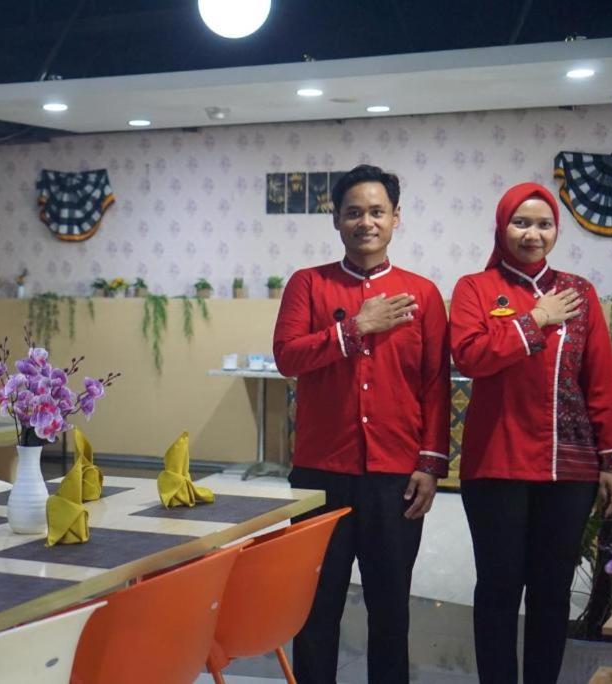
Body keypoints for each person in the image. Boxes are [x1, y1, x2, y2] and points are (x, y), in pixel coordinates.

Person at [273, 164, 450, 684]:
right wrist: (355, 329)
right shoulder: (308, 284)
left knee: (390, 609)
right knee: (314, 607)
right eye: (353, 212)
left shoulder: (422, 294)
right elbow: (287, 356)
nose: (365, 222)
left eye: (377, 211)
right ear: (336, 219)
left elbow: (435, 385)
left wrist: (430, 465)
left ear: (396, 218)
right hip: (320, 473)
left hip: (396, 476)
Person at [450, 182, 612, 684]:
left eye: (543, 224)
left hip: (570, 469)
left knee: (551, 591)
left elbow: (599, 381)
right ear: (502, 228)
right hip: (496, 463)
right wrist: (536, 320)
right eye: (521, 223)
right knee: (499, 588)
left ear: (556, 230)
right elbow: (471, 357)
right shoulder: (475, 289)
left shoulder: (579, 292)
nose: (532, 234)